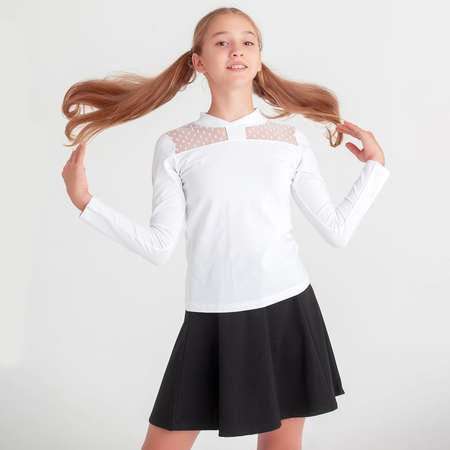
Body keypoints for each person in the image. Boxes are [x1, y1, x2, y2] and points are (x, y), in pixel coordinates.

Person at [61, 7, 390, 450]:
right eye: (222, 42)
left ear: (259, 60)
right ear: (198, 62)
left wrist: (375, 168)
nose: (237, 49)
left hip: (288, 309)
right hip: (212, 316)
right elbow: (159, 246)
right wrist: (86, 203)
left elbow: (337, 229)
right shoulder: (175, 146)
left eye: (247, 41)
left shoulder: (289, 140)